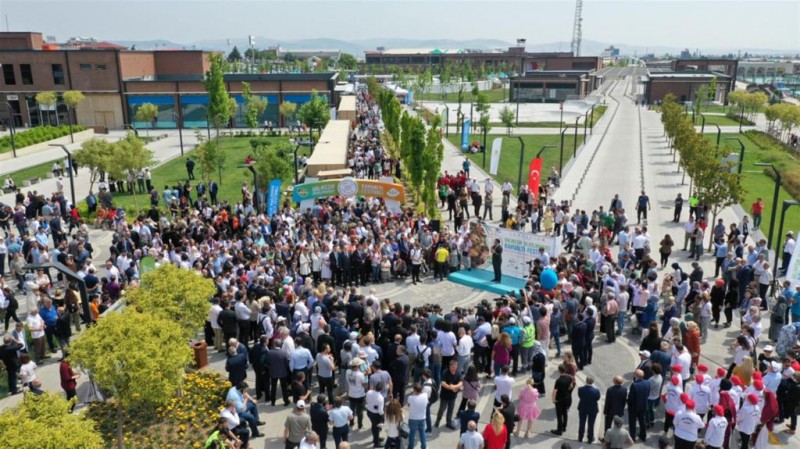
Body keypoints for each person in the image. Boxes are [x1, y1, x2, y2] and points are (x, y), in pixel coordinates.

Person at [436, 359, 462, 430]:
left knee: (450, 410)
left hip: (453, 397)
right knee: (441, 410)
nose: (455, 368)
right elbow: (443, 383)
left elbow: (461, 383)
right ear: (450, 366)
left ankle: (448, 423)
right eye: (453, 367)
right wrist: (451, 388)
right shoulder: (445, 372)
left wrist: (454, 387)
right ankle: (438, 421)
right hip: (444, 396)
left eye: (456, 366)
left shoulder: (458, 373)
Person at [551, 363, 575, 436]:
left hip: (559, 399)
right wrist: (568, 391)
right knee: (565, 413)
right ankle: (564, 427)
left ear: (559, 371)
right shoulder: (569, 378)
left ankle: (559, 430)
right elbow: (572, 385)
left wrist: (553, 399)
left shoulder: (558, 380)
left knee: (559, 415)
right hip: (566, 398)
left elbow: (555, 391)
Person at [577, 375, 601, 444]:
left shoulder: (580, 389)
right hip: (592, 409)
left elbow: (580, 396)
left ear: (586, 381)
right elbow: (597, 398)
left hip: (583, 407)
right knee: (591, 424)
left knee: (582, 423)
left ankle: (580, 437)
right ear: (593, 382)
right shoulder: (596, 391)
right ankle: (590, 438)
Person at [627, 369, 649, 443]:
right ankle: (643, 436)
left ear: (636, 375)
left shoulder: (634, 385)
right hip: (643, 405)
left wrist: (628, 404)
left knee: (632, 423)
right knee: (642, 421)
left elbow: (630, 398)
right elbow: (648, 394)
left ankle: (632, 438)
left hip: (634, 407)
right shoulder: (647, 382)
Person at [407, 383, 428, 449]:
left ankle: (410, 447)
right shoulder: (425, 395)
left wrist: (412, 394)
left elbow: (409, 405)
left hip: (413, 418)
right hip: (422, 418)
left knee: (412, 434)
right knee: (422, 433)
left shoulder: (410, 398)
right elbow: (423, 394)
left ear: (415, 390)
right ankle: (424, 447)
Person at [366, 381, 385, 447]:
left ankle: (376, 438)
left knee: (374, 426)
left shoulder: (369, 392)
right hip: (376, 415)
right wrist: (383, 416)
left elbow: (367, 401)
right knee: (376, 428)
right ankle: (376, 443)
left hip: (369, 412)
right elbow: (380, 410)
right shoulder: (381, 398)